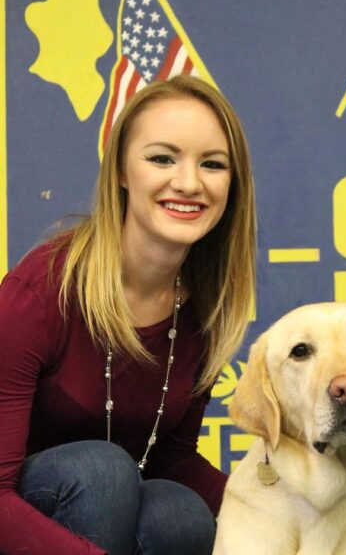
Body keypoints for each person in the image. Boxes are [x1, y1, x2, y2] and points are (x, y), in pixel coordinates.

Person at [0, 75, 257, 555]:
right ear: (120, 170)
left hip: (109, 514)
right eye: (162, 157)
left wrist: (278, 512)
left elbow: (172, 460)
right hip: (19, 518)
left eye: (213, 164)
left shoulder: (203, 312)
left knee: (177, 512)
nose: (188, 182)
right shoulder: (41, 293)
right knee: (102, 471)